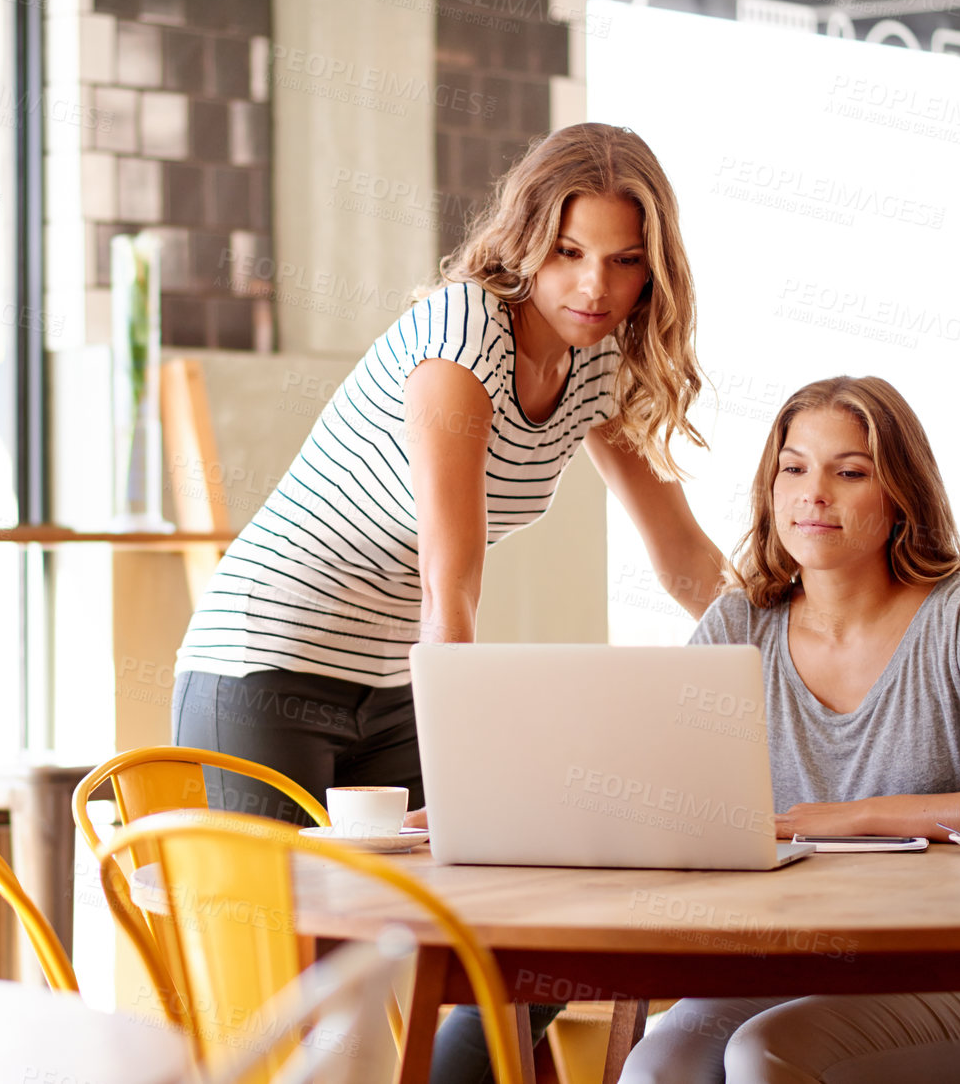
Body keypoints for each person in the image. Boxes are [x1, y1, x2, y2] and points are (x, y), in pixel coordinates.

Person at [433, 375, 960, 1084]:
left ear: (900, 494)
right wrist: (482, 801)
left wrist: (863, 816)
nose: (812, 492)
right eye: (793, 467)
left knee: (766, 1056)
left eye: (849, 472)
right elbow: (647, 786)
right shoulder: (737, 625)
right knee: (657, 1064)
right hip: (785, 962)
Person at [171, 123, 725, 827]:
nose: (595, 285)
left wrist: (799, 661)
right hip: (267, 659)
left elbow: (682, 556)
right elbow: (449, 577)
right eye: (568, 252)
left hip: (392, 681)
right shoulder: (464, 332)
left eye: (623, 259)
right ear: (527, 240)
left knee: (422, 922)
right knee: (285, 928)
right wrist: (469, 753)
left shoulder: (603, 361)